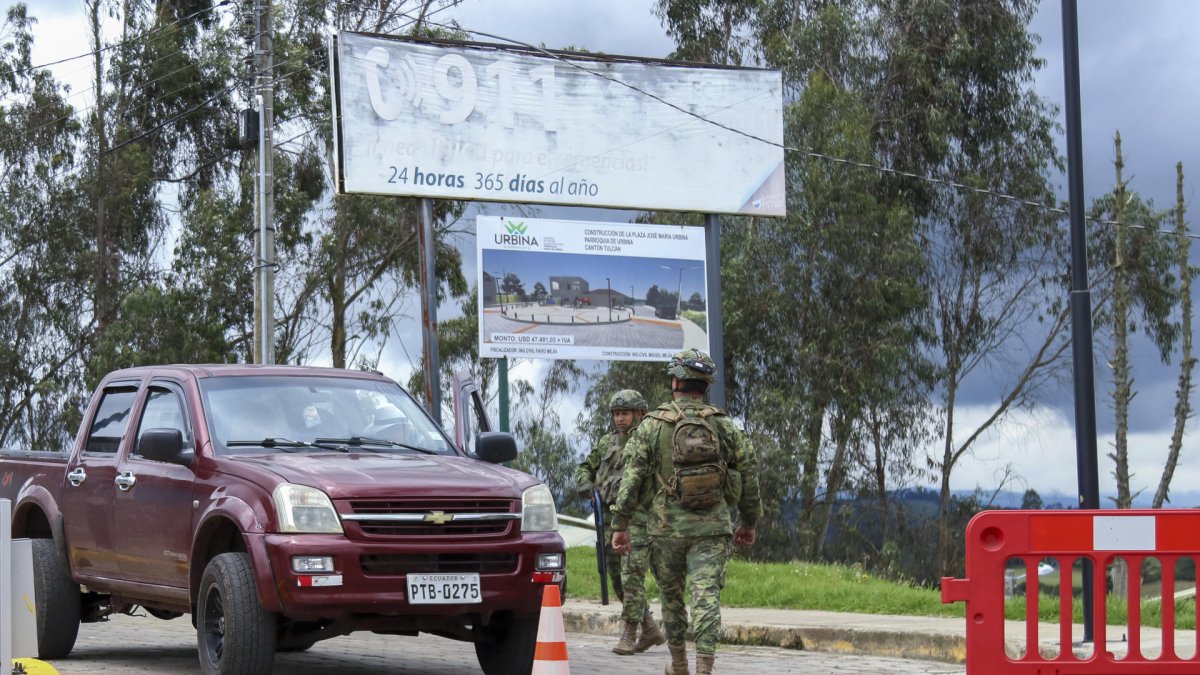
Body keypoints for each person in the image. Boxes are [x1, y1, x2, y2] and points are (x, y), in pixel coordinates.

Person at [610, 350, 761, 675]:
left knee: (672, 598)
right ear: (705, 384)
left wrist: (620, 524)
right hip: (712, 529)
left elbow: (632, 478)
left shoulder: (652, 424)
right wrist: (748, 522)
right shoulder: (723, 424)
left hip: (666, 529)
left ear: (675, 382)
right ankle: (704, 669)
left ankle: (679, 665)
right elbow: (748, 472)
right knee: (706, 598)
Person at [574, 389, 666, 656]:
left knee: (631, 576)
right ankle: (649, 628)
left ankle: (629, 633)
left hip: (638, 517)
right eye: (616, 414)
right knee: (616, 576)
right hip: (609, 518)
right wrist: (585, 484)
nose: (620, 419)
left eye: (625, 413)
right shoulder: (607, 442)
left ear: (640, 414)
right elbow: (585, 467)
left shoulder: (648, 443)